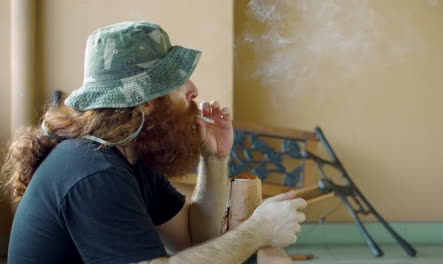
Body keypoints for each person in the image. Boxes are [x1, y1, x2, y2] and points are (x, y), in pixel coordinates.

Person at [3, 21, 306, 264]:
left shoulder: (127, 154)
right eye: (177, 80)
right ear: (145, 102)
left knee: (269, 257)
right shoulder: (96, 172)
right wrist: (257, 231)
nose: (193, 89)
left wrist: (214, 159)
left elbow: (194, 237)